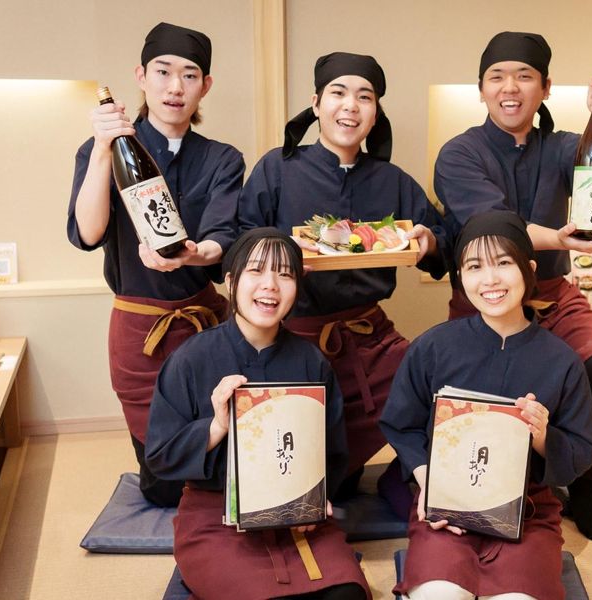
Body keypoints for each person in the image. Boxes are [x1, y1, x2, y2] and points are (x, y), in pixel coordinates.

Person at [433, 31, 592, 540]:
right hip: (486, 302)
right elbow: (493, 225)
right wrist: (559, 237)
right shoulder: (459, 153)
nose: (510, 88)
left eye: (524, 77)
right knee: (481, 395)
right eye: (497, 77)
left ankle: (584, 485)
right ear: (481, 88)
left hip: (552, 294)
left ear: (545, 88)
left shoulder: (563, 146)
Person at [238, 52, 447, 513]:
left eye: (364, 97)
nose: (350, 106)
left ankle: (402, 475)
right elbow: (242, 241)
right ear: (316, 104)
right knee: (312, 480)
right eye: (338, 93)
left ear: (375, 113)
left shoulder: (393, 180)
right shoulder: (277, 169)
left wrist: (429, 241)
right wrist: (282, 260)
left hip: (371, 338)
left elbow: (441, 243)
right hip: (293, 340)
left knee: (438, 384)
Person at [67, 22, 244, 507]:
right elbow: (88, 233)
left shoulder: (223, 159)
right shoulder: (102, 148)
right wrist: (102, 150)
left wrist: (194, 253)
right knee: (164, 486)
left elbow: (223, 238)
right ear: (141, 77)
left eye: (190, 75)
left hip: (205, 327)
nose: (175, 86)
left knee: (219, 470)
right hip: (139, 329)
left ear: (205, 86)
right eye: (163, 72)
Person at [380, 210, 592, 600]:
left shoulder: (561, 360)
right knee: (439, 595)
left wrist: (543, 436)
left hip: (527, 512)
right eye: (474, 266)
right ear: (460, 277)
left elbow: (583, 447)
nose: (490, 279)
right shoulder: (432, 347)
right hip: (446, 507)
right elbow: (402, 424)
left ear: (529, 269)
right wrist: (428, 481)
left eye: (503, 263)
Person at [146, 228, 369, 600]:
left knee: (347, 594)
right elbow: (160, 455)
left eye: (285, 274)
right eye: (256, 271)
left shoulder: (311, 360)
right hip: (216, 518)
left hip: (297, 516)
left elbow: (331, 452)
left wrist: (314, 498)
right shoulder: (190, 358)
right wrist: (217, 426)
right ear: (231, 281)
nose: (270, 285)